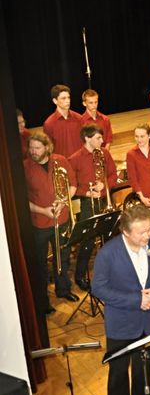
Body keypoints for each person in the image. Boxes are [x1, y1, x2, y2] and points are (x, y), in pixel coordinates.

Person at [92, 205, 150, 395]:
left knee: (144, 371)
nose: (147, 236)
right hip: (121, 325)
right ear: (126, 232)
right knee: (118, 377)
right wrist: (136, 299)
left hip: (148, 322)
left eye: (149, 230)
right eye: (141, 232)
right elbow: (99, 288)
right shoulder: (108, 253)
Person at [24, 132, 79, 317]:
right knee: (40, 264)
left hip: (61, 219)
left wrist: (63, 201)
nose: (33, 151)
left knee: (62, 257)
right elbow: (22, 199)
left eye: (37, 148)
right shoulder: (25, 167)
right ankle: (43, 302)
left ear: (47, 147)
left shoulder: (60, 161)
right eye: (31, 147)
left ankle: (63, 290)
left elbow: (73, 185)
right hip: (39, 223)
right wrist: (43, 210)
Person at [68, 124, 117, 290]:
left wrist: (104, 184)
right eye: (98, 138)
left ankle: (112, 271)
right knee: (87, 240)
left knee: (109, 237)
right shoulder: (74, 159)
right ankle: (80, 276)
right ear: (87, 139)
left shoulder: (105, 154)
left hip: (104, 200)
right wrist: (87, 193)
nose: (102, 141)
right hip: (87, 203)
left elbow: (113, 175)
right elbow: (71, 186)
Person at [43, 84, 83, 158]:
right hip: (61, 163)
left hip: (79, 161)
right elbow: (48, 148)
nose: (67, 101)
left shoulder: (79, 118)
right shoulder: (49, 123)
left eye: (68, 97)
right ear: (55, 101)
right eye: (63, 98)